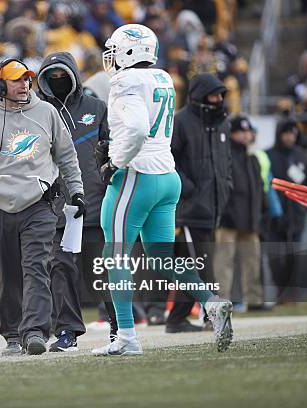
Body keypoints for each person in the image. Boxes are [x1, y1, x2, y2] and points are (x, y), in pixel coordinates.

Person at [92, 24, 233, 356]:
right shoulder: (163, 78)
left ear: (128, 51)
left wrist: (115, 161)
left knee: (116, 254)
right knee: (160, 258)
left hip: (136, 175)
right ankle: (210, 303)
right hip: (167, 177)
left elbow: (138, 127)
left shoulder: (124, 81)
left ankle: (126, 337)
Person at [0, 58, 84, 356]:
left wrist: (77, 191)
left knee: (36, 267)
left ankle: (34, 331)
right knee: (6, 273)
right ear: (1, 84)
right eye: (16, 80)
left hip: (40, 204)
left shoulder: (46, 112)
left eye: (27, 79)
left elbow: (67, 156)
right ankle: (12, 334)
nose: (23, 85)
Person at [36, 51, 111, 352]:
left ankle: (120, 328)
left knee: (106, 270)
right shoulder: (38, 113)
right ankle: (67, 332)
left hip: (96, 204)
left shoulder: (97, 108)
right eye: (51, 76)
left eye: (62, 74)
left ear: (74, 75)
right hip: (58, 209)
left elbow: (112, 153)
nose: (57, 80)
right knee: (62, 271)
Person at [165, 72, 234, 334]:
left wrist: (225, 187)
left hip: (213, 208)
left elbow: (226, 163)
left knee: (191, 266)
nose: (218, 100)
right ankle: (213, 316)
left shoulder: (223, 124)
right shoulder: (181, 122)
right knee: (203, 266)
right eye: (214, 95)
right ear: (199, 96)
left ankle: (176, 320)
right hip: (190, 210)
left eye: (221, 95)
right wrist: (189, 189)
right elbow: (169, 159)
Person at [214, 115, 265, 310]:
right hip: (228, 219)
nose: (245, 135)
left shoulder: (252, 157)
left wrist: (259, 215)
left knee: (252, 261)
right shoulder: (225, 155)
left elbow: (258, 189)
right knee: (223, 263)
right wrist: (224, 212)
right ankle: (221, 301)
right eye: (240, 132)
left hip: (249, 219)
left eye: (247, 131)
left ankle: (254, 299)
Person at [266, 119, 307, 302]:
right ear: (279, 135)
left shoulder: (302, 157)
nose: (290, 137)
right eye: (286, 133)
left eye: (293, 133)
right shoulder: (268, 156)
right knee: (275, 257)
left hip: (296, 218)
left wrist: (302, 211)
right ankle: (280, 292)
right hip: (273, 218)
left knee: (294, 256)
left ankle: (291, 294)